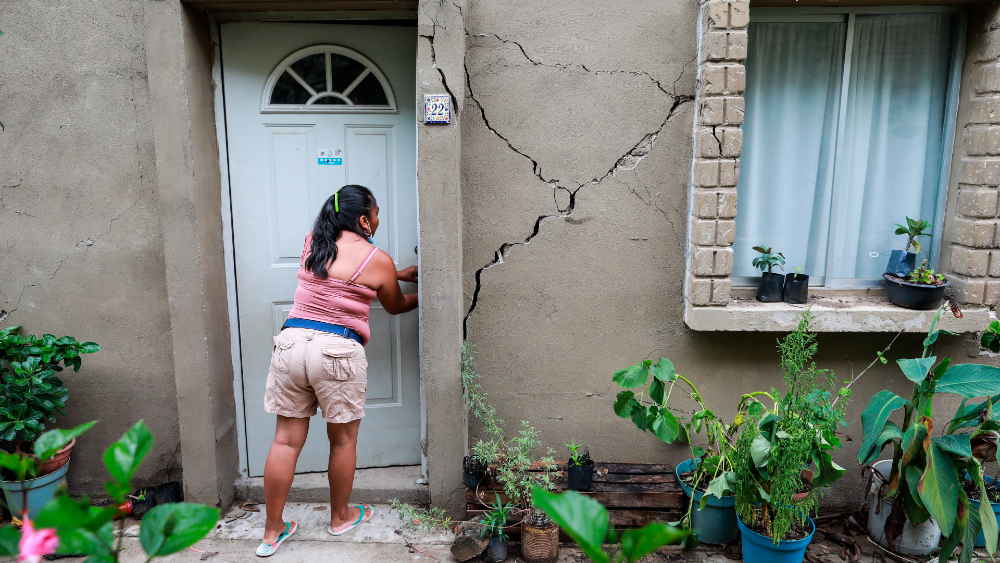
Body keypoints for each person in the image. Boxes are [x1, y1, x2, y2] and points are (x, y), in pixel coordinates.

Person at [256, 185, 418, 557]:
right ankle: (340, 518)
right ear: (364, 219)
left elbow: (340, 277)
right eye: (376, 214)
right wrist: (426, 291)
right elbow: (393, 304)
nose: (378, 220)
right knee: (342, 441)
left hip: (292, 344)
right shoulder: (376, 258)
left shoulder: (314, 241)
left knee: (284, 441)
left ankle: (271, 531)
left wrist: (398, 272)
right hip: (336, 351)